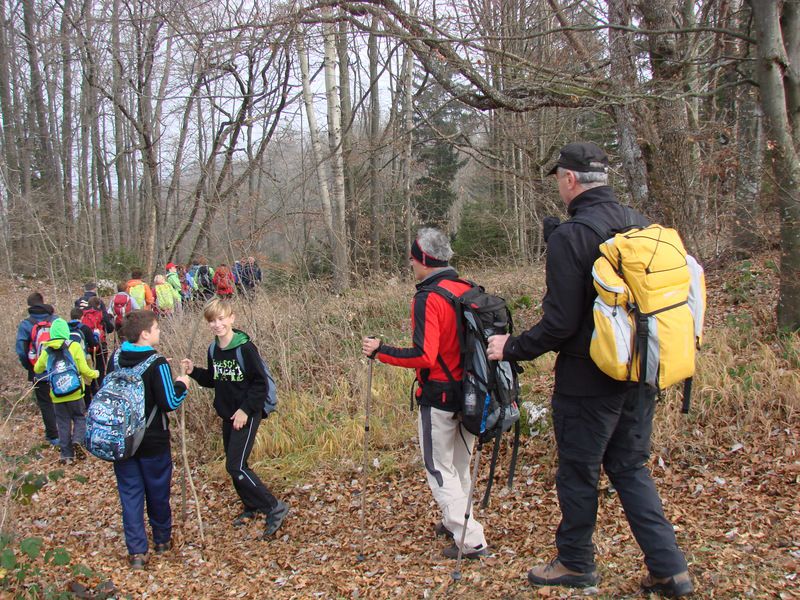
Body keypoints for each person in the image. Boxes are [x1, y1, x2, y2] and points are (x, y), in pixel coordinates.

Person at [486, 142, 693, 598]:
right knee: (630, 467)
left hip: (588, 380)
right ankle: (670, 570)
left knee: (579, 471)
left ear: (570, 179)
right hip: (640, 371)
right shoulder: (640, 224)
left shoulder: (572, 235)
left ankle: (575, 562)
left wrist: (512, 347)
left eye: (559, 178)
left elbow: (559, 323)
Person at [361, 228, 489, 561]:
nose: (411, 263)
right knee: (459, 464)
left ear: (424, 260)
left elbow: (424, 356)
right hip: (472, 392)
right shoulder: (467, 289)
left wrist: (380, 351)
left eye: (413, 257)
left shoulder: (428, 297)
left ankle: (471, 539)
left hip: (439, 395)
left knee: (437, 467)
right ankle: (457, 521)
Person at [181, 298, 288, 538]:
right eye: (212, 321)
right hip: (227, 414)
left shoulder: (245, 348)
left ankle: (274, 507)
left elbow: (260, 384)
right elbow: (214, 379)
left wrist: (245, 410)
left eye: (221, 319)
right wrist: (193, 372)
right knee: (235, 465)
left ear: (231, 318)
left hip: (247, 414)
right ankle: (251, 506)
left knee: (235, 465)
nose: (217, 325)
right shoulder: (214, 349)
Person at [109, 310, 190, 569]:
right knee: (157, 491)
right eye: (156, 328)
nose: (159, 331)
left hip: (122, 440)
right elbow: (170, 401)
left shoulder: (116, 357)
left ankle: (137, 552)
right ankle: (162, 540)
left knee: (130, 494)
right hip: (153, 441)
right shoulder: (157, 363)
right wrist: (182, 383)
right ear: (145, 334)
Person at [33, 318, 99, 464]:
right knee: (80, 417)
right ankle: (77, 440)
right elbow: (84, 369)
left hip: (57, 396)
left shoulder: (46, 349)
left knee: (63, 424)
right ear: (66, 332)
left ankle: (66, 456)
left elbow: (37, 368)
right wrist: (95, 374)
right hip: (75, 392)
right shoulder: (73, 346)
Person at [15, 292, 59, 445]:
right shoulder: (55, 320)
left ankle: (53, 436)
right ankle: (65, 432)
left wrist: (29, 366)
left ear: (30, 306)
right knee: (60, 399)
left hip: (39, 370)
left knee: (45, 403)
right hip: (59, 369)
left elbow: (21, 350)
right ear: (43, 302)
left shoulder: (26, 324)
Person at [68, 307, 99, 407]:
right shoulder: (85, 328)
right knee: (86, 380)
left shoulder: (65, 328)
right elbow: (93, 344)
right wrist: (96, 336)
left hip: (68, 359)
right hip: (83, 357)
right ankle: (87, 403)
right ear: (82, 316)